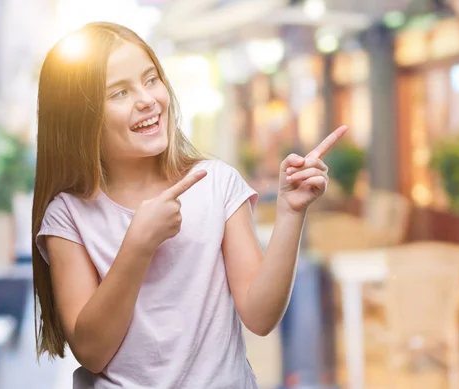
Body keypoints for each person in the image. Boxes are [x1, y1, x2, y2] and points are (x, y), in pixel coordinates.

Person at [31, 21, 348, 389]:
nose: (147, 99)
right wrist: (138, 246)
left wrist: (291, 213)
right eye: (118, 93)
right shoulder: (68, 215)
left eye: (151, 80)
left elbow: (260, 317)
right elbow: (92, 350)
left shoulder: (217, 183)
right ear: (79, 119)